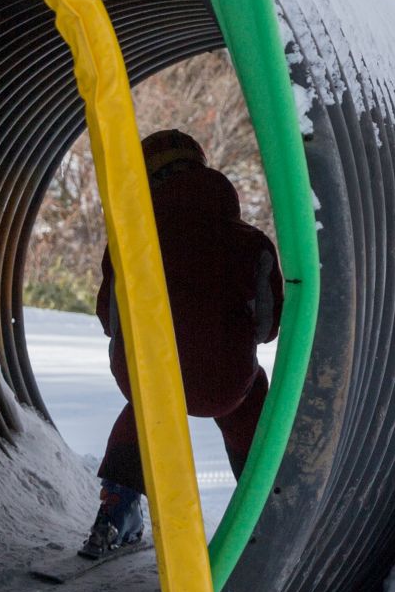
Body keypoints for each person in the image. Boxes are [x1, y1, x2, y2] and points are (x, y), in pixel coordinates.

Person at [80, 130, 284, 560]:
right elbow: (268, 327)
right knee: (250, 400)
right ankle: (267, 511)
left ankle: (115, 511)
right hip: (223, 378)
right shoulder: (250, 241)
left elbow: (108, 318)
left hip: (143, 372)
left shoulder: (129, 239)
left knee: (146, 402)